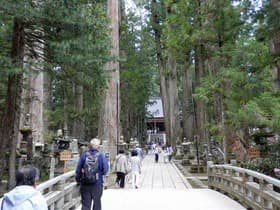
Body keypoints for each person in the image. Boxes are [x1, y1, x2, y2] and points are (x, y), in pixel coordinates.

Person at [75, 138, 109, 210]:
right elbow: (105, 170)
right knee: (97, 204)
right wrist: (99, 174)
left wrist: (78, 180)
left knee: (85, 205)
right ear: (98, 147)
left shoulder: (84, 156)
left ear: (89, 146)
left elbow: (78, 170)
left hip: (85, 183)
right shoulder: (101, 156)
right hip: (97, 183)